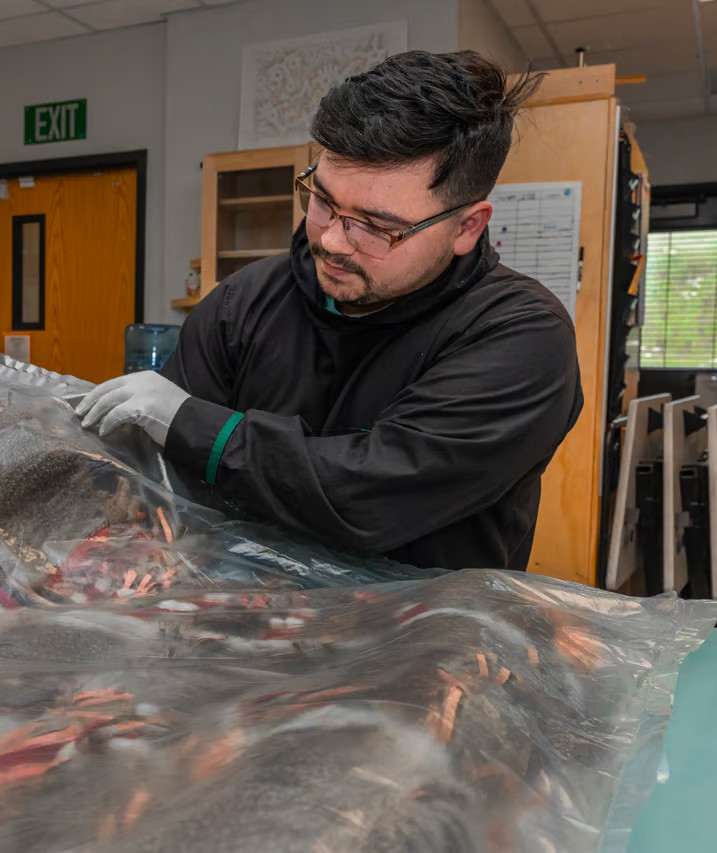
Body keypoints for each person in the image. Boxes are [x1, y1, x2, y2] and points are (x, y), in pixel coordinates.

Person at [77, 50, 582, 572]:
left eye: (378, 227)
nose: (334, 242)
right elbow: (159, 486)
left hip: (420, 624)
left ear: (467, 227)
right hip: (232, 615)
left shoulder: (520, 336)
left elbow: (370, 498)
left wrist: (198, 428)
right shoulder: (242, 302)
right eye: (322, 201)